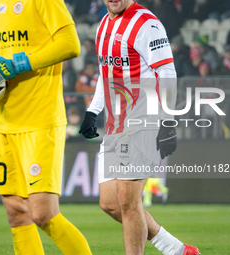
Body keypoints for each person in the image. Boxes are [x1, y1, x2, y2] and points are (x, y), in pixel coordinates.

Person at [0, 1, 92, 255]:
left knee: (43, 213)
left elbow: (70, 44)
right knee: (16, 213)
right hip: (5, 121)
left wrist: (17, 65)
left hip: (40, 118)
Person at [79, 1, 200, 255]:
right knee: (111, 203)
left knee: (128, 201)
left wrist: (167, 122)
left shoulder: (147, 23)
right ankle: (177, 249)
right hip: (115, 126)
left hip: (143, 122)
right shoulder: (103, 25)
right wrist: (92, 111)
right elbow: (106, 74)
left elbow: (166, 72)